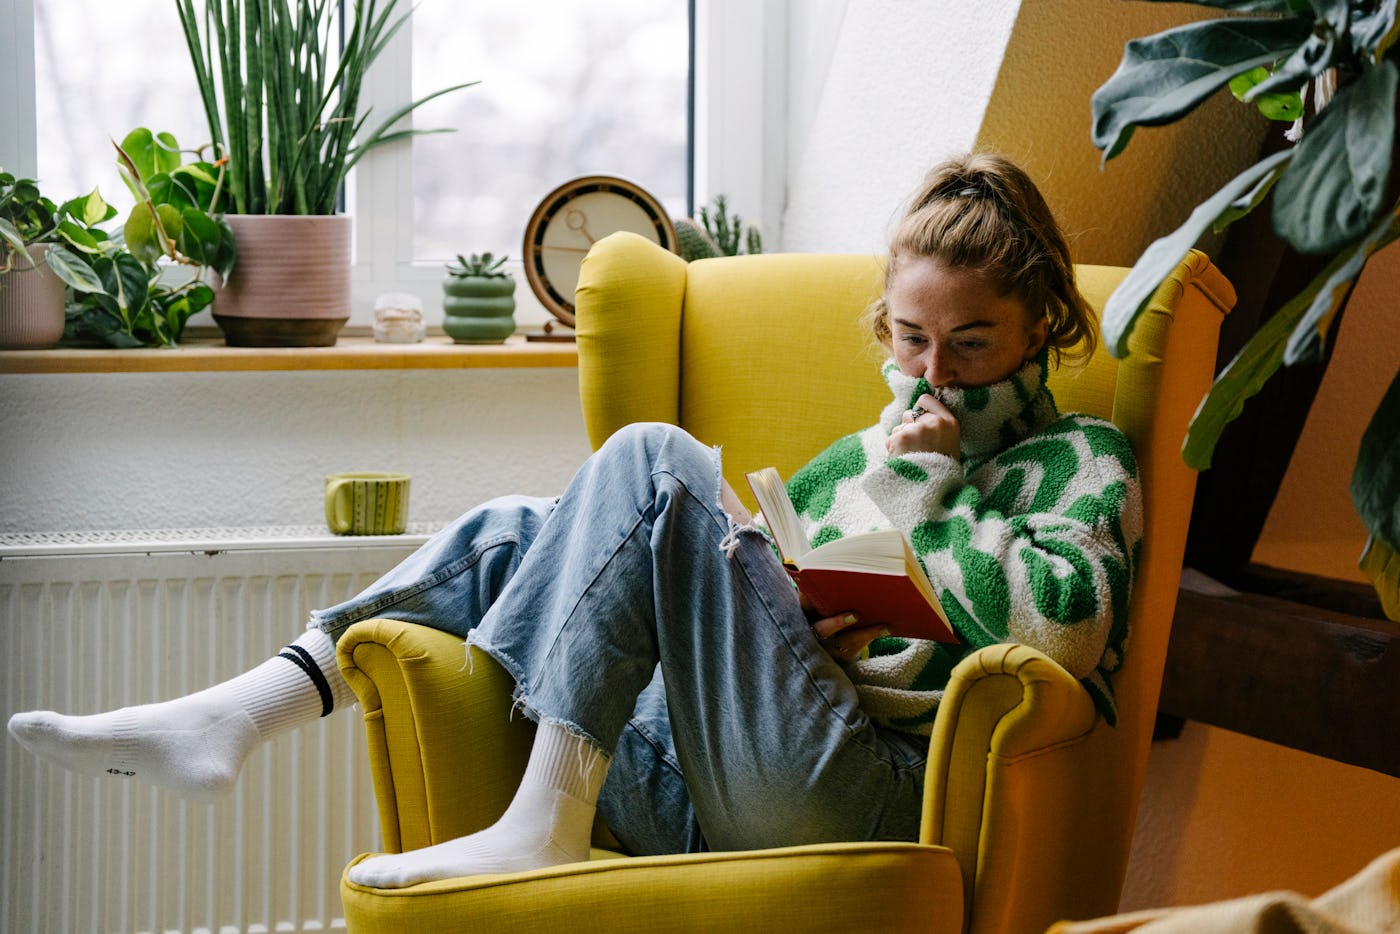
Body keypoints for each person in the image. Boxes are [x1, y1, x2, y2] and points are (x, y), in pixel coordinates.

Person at [7, 153, 1141, 889]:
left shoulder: (1078, 461)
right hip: (718, 777)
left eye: (970, 343)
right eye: (906, 338)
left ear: (1040, 325)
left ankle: (544, 818)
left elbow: (1066, 631)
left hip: (865, 797)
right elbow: (762, 595)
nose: (930, 372)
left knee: (654, 459)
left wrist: (923, 496)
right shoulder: (858, 451)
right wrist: (802, 607)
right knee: (517, 525)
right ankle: (239, 711)